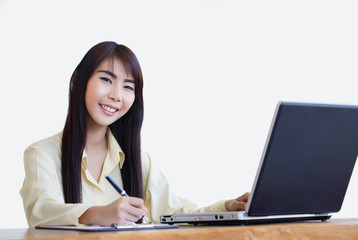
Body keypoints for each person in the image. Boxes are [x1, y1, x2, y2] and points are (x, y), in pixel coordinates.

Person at [20, 41, 249, 227]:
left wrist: (227, 208)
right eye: (106, 79)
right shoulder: (42, 154)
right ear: (78, 81)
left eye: (128, 86)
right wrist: (99, 214)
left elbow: (175, 211)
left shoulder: (137, 160)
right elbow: (40, 211)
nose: (116, 95)